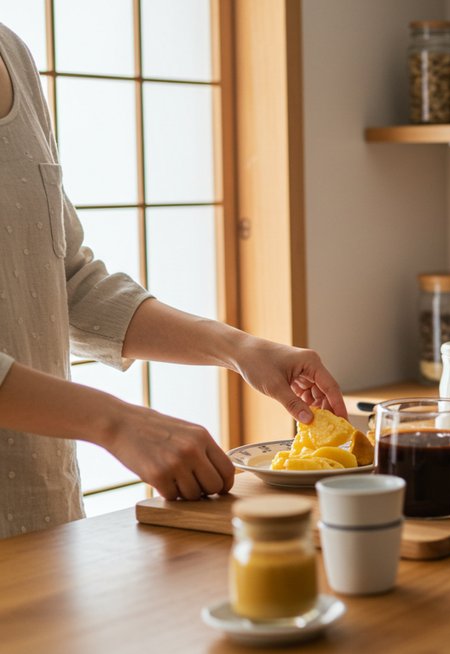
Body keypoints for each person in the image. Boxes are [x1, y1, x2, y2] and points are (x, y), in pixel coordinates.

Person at [0, 23, 346, 539]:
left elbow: (67, 282)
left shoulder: (13, 54)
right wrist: (114, 422)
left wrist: (239, 348)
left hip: (44, 517)